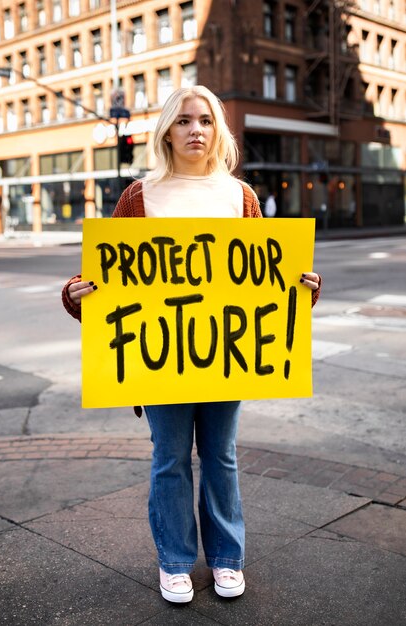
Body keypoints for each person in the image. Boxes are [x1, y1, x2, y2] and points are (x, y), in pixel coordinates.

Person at [62, 85, 321, 604]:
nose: (195, 129)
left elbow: (261, 283)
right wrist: (75, 293)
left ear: (218, 129)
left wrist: (302, 290)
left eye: (204, 120)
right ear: (167, 131)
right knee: (171, 458)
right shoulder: (141, 196)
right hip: (159, 359)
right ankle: (175, 561)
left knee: (221, 457)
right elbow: (106, 276)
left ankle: (227, 558)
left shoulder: (239, 196)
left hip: (226, 355)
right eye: (183, 121)